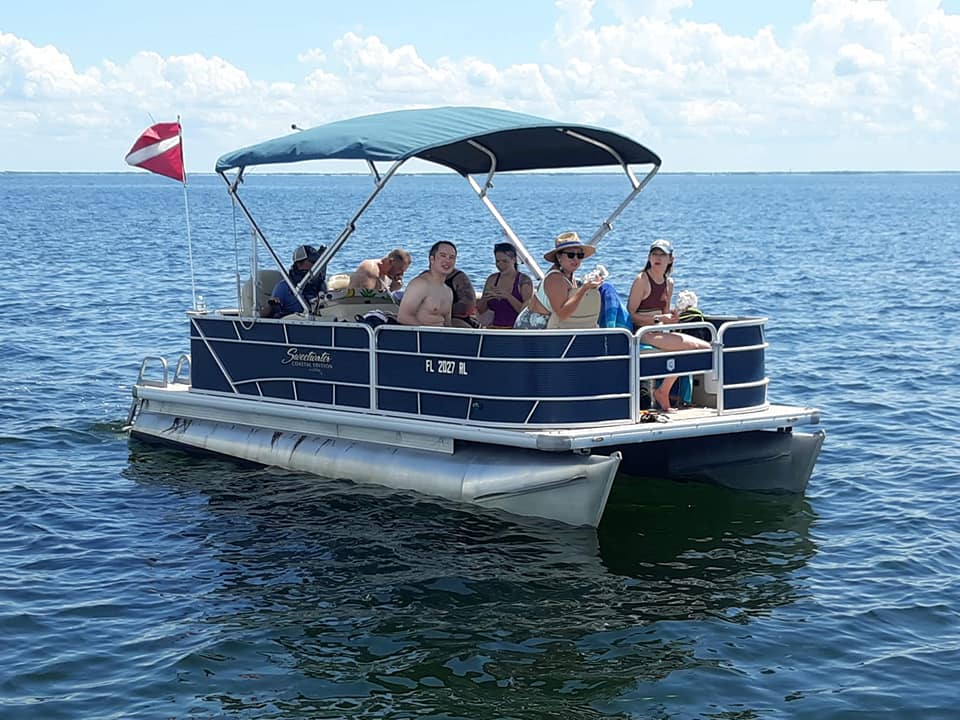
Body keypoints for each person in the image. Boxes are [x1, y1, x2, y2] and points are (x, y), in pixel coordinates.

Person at [627, 238, 710, 412]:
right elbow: (631, 315)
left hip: (658, 332)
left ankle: (664, 391)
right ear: (649, 257)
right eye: (654, 254)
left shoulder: (668, 283)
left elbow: (666, 315)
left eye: (662, 255)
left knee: (704, 347)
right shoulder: (641, 280)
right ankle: (663, 392)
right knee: (692, 346)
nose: (657, 258)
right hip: (642, 333)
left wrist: (675, 316)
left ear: (671, 259)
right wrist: (658, 319)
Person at [519, 231, 603, 328]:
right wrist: (584, 289)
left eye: (579, 255)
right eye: (571, 255)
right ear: (559, 257)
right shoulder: (555, 279)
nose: (575, 259)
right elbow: (563, 314)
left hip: (552, 327)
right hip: (532, 331)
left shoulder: (569, 276)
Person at [397, 241, 457, 327]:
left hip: (442, 336)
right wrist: (426, 332)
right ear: (432, 259)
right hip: (421, 338)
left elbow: (447, 323)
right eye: (443, 256)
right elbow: (403, 317)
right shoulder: (420, 284)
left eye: (451, 257)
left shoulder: (448, 291)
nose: (447, 260)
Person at [477, 242, 533, 329]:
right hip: (493, 328)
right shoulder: (492, 279)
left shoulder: (523, 281)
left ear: (514, 259)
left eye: (504, 261)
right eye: (497, 261)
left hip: (515, 329)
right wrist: (485, 299)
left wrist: (508, 296)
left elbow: (526, 313)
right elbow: (481, 310)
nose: (500, 265)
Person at [265, 244, 326, 318]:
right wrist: (270, 306)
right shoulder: (283, 288)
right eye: (313, 261)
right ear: (299, 264)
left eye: (318, 262)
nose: (316, 265)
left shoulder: (320, 285)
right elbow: (269, 315)